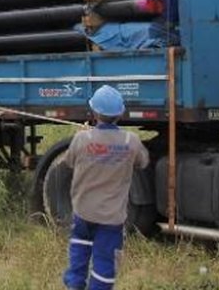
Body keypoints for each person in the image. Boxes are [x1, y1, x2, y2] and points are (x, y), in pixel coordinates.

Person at [62, 85, 149, 290]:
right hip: (111, 218)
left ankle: (74, 286)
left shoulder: (82, 139)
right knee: (105, 263)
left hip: (83, 212)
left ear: (94, 113)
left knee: (78, 254)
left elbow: (68, 162)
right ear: (120, 113)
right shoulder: (131, 141)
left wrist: (83, 135)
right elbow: (143, 162)